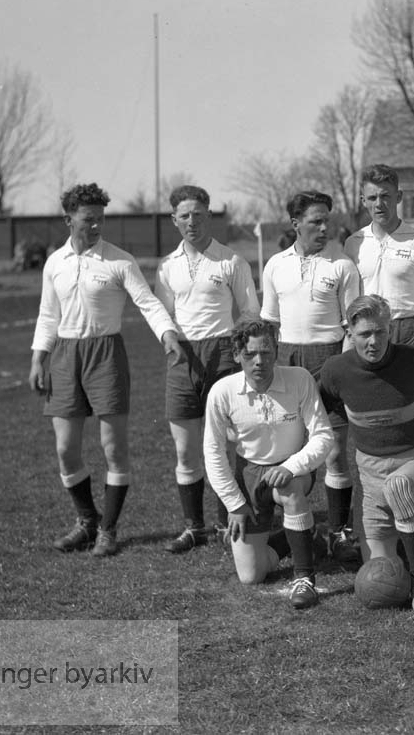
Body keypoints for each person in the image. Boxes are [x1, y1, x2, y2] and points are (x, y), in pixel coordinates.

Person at [29, 182, 186, 558]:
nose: (97, 226)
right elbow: (48, 314)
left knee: (113, 447)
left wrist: (167, 334)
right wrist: (39, 357)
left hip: (106, 355)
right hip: (65, 356)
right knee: (66, 449)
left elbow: (147, 302)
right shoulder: (55, 263)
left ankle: (108, 530)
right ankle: (86, 521)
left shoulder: (119, 260)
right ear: (69, 220)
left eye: (101, 219)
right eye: (89, 219)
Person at [319, 295, 414, 612]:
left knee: (399, 487)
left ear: (390, 330)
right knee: (380, 576)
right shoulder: (336, 371)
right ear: (350, 333)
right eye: (364, 334)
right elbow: (313, 410)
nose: (373, 341)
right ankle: (405, 553)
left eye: (380, 332)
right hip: (370, 477)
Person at [155, 185, 261, 553]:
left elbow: (250, 311)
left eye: (198, 214)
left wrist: (238, 346)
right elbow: (162, 314)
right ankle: (193, 527)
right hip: (183, 359)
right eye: (184, 216)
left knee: (228, 442)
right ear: (174, 221)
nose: (192, 222)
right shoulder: (167, 267)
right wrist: (168, 338)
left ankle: (225, 521)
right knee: (186, 450)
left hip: (223, 355)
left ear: (209, 216)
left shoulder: (230, 261)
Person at [261, 190, 362, 562]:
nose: (323, 227)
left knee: (334, 452)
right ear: (295, 224)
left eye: (327, 221)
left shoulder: (343, 265)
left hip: (329, 358)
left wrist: (342, 370)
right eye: (315, 221)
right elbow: (270, 322)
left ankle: (338, 531)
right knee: (286, 448)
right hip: (287, 359)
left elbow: (351, 327)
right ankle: (289, 527)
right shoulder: (275, 265)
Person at [203, 320, 334, 609]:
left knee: (288, 489)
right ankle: (301, 536)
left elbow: (323, 435)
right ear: (237, 355)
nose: (259, 361)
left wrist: (293, 466)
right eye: (250, 354)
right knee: (251, 576)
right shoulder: (222, 392)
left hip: (292, 468)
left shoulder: (300, 379)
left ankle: (304, 578)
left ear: (276, 349)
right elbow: (213, 453)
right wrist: (234, 504)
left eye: (266, 352)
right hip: (248, 472)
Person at [344, 164, 414, 348]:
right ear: (363, 200)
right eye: (372, 198)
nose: (379, 204)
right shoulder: (353, 243)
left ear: (398, 197)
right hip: (368, 330)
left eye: (385, 196)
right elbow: (349, 300)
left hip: (409, 330)